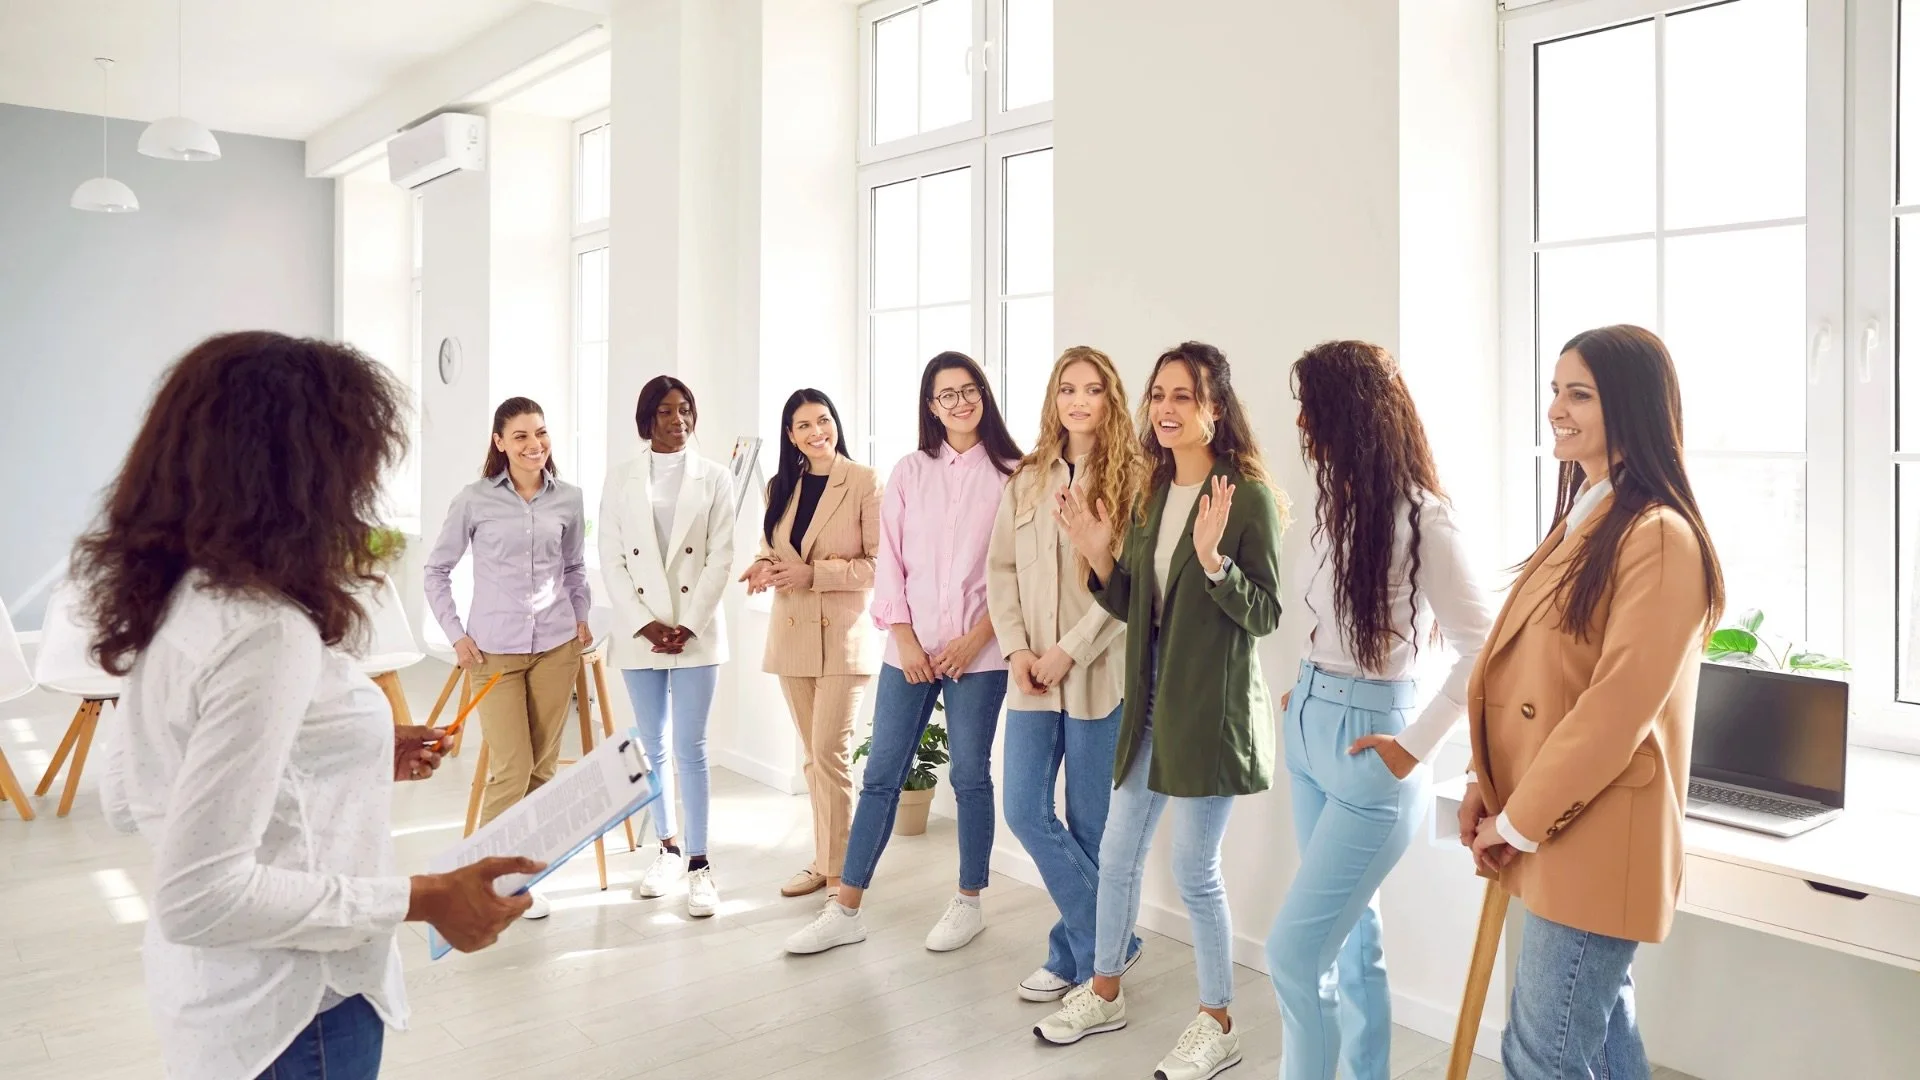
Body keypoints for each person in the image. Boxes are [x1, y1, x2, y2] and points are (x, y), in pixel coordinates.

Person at [85, 331, 540, 1080]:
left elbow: (134, 798)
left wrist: (344, 754)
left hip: (216, 1006)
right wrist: (425, 898)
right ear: (297, 478)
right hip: (300, 1015)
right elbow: (198, 895)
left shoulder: (179, 595)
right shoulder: (266, 633)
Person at [1460, 325, 1723, 1080]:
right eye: (1554, 390)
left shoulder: (1661, 537)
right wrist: (1489, 783)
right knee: (1601, 1036)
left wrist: (1518, 818)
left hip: (1599, 833)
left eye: (1579, 394)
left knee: (1542, 1052)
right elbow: (1541, 681)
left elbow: (1613, 711)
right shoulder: (1588, 518)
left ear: (1632, 408)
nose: (1556, 409)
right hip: (1559, 821)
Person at [1037, 341, 1287, 1080]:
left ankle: (1218, 1023)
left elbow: (1266, 614)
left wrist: (1215, 563)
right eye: (1160, 395)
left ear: (1216, 409)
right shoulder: (1149, 490)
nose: (1168, 408)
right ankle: (1104, 989)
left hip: (1208, 716)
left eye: (1185, 396)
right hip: (1145, 707)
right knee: (1117, 855)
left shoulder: (1248, 499)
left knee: (1194, 870)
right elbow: (1134, 609)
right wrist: (1096, 553)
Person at [1265, 341, 1495, 1080]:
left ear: (1354, 414)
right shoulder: (1336, 504)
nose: (1301, 420)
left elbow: (1482, 649)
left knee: (1292, 955)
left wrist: (1414, 747)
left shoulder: (1425, 517)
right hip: (1310, 733)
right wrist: (1305, 691)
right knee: (1350, 940)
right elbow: (1325, 618)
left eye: (1314, 405)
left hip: (1373, 746)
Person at [783, 352, 1023, 956]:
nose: (960, 403)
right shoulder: (911, 471)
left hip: (982, 654)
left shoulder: (1016, 474)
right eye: (946, 395)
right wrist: (908, 638)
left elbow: (1022, 573)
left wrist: (977, 638)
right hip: (907, 651)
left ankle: (969, 901)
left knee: (970, 775)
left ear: (984, 396)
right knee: (881, 775)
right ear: (930, 405)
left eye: (970, 391)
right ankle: (847, 907)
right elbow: (889, 562)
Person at [986, 345, 1148, 1002]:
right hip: (1029, 678)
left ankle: (1074, 955)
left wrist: (1068, 652)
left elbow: (1131, 588)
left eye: (1092, 390)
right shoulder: (1026, 478)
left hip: (1096, 676)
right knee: (1024, 809)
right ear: (1054, 399)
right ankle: (1112, 943)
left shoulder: (1134, 480)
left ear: (1110, 399)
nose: (1078, 402)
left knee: (1089, 828)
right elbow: (1000, 571)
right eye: (1067, 389)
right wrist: (1020, 650)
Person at [424, 396, 592, 921]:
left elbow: (575, 568)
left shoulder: (569, 498)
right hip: (493, 651)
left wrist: (580, 613)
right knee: (511, 768)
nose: (533, 444)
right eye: (520, 435)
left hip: (556, 648)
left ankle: (521, 880)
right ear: (499, 443)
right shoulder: (473, 500)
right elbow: (436, 571)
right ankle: (477, 883)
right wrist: (456, 636)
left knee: (542, 769)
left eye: (540, 433)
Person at [600, 376, 736, 917]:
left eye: (685, 411)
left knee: (692, 749)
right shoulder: (621, 478)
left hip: (696, 632)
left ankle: (700, 865)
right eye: (664, 412)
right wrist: (644, 624)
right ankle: (667, 848)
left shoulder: (716, 478)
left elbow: (721, 557)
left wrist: (689, 622)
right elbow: (611, 559)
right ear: (646, 420)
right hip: (642, 635)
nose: (677, 420)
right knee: (650, 746)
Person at [741, 389, 882, 900]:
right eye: (804, 425)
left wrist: (813, 574)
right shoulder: (781, 485)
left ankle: (843, 874)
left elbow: (878, 564)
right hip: (794, 634)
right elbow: (770, 545)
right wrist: (761, 566)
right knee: (812, 756)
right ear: (791, 434)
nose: (816, 432)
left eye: (823, 421)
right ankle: (826, 862)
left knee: (830, 752)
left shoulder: (864, 481)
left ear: (835, 423)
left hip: (844, 637)